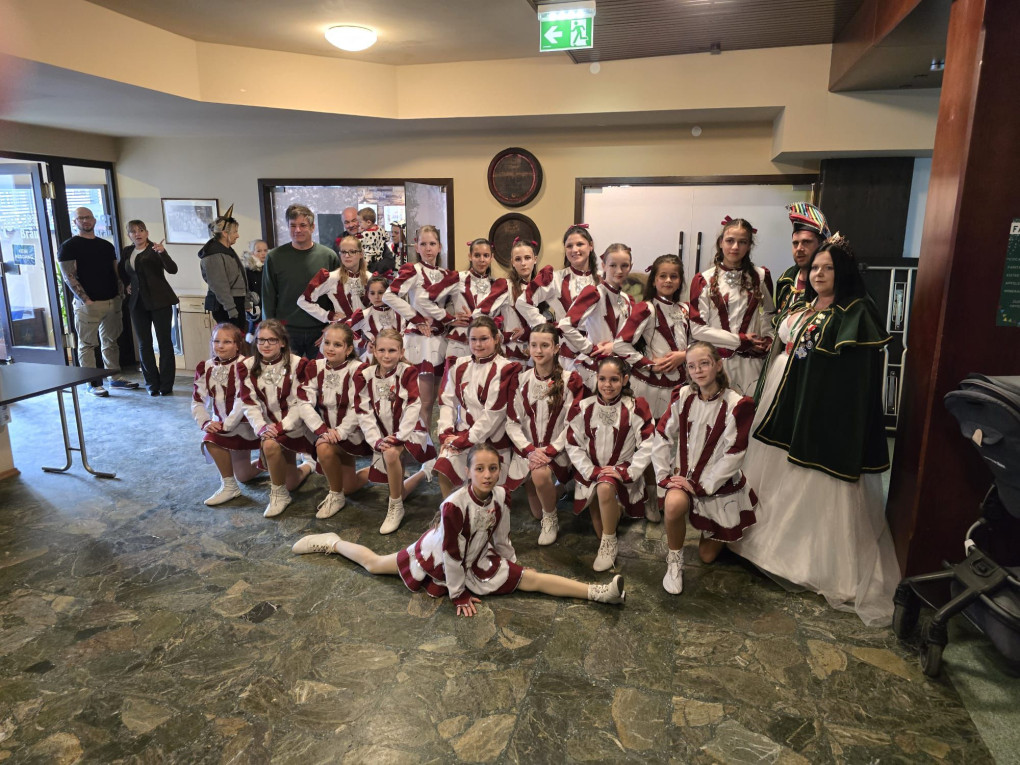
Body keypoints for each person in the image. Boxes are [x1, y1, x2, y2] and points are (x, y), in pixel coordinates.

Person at [729, 235, 900, 627]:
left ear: (844, 272)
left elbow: (854, 378)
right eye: (816, 268)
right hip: (785, 397)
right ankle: (764, 543)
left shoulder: (855, 312)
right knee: (774, 472)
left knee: (812, 480)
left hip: (822, 411)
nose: (819, 274)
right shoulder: (804, 305)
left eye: (828, 268)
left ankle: (809, 561)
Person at [291, 443, 626, 615]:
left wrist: (511, 563)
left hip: (478, 555)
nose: (487, 475)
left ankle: (599, 593)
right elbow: (451, 554)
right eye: (480, 469)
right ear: (468, 472)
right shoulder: (454, 505)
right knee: (376, 564)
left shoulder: (501, 495)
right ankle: (333, 543)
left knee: (532, 579)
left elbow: (502, 536)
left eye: (492, 469)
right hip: (438, 555)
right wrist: (458, 594)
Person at [652, 341, 758, 595]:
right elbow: (663, 436)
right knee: (673, 504)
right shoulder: (683, 396)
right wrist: (665, 477)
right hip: (684, 478)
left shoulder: (737, 404)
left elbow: (735, 454)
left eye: (704, 364)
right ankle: (674, 560)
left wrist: (703, 485)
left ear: (718, 365)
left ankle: (713, 528)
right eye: (691, 366)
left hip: (717, 484)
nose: (697, 371)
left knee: (707, 557)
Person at [565, 356, 654, 571]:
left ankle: (610, 542)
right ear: (596, 378)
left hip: (621, 470)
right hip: (592, 471)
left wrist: (629, 472)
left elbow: (648, 444)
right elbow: (573, 444)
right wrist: (591, 470)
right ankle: (614, 510)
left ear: (625, 380)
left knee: (605, 492)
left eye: (614, 379)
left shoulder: (635, 407)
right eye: (602, 379)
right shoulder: (583, 407)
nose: (607, 385)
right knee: (600, 526)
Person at [505, 323, 586, 545]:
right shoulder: (521, 380)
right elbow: (512, 423)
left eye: (544, 345)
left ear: (556, 348)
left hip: (560, 450)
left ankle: (551, 519)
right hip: (530, 453)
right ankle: (561, 489)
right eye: (533, 345)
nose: (538, 351)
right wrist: (531, 451)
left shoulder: (570, 380)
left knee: (540, 477)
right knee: (536, 511)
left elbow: (574, 423)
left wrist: (550, 451)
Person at [352, 328, 437, 534]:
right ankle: (424, 472)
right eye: (381, 350)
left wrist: (398, 437)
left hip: (409, 430)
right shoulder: (365, 375)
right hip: (383, 432)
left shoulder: (408, 372)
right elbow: (363, 411)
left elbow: (413, 406)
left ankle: (395, 507)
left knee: (391, 455)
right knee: (398, 488)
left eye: (392, 350)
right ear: (374, 351)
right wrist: (375, 440)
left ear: (401, 352)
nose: (386, 355)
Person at [237, 319, 322, 518]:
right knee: (269, 448)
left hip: (293, 426)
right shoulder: (246, 366)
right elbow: (249, 402)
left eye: (272, 340)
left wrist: (281, 426)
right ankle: (280, 489)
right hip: (267, 428)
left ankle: (305, 467)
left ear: (282, 342)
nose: (266, 345)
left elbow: (300, 402)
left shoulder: (298, 364)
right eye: (261, 340)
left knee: (290, 481)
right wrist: (261, 427)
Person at [689, 217, 775, 396]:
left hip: (752, 364)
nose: (735, 247)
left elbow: (769, 313)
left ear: (749, 245)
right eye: (730, 241)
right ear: (721, 242)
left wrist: (768, 337)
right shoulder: (703, 280)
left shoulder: (760, 276)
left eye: (742, 242)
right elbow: (697, 330)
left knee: (748, 410)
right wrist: (740, 340)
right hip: (715, 364)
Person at [435, 316, 520, 498]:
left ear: (496, 339)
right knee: (443, 465)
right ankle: (451, 511)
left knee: (488, 494)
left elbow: (494, 414)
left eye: (484, 339)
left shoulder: (507, 369)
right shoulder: (459, 365)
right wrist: (446, 434)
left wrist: (462, 441)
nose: (478, 344)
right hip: (460, 436)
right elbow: (447, 402)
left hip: (493, 440)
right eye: (473, 339)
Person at [58, 207, 137, 397]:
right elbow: (69, 276)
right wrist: (85, 299)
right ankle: (92, 383)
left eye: (88, 217)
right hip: (88, 305)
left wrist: (119, 295)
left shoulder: (106, 246)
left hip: (112, 301)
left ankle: (114, 377)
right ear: (75, 222)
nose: (85, 221)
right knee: (87, 345)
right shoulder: (68, 246)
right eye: (81, 218)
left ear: (94, 220)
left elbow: (115, 272)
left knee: (111, 342)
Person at [383, 224, 450, 433]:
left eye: (433, 243)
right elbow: (388, 296)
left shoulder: (446, 273)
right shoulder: (413, 270)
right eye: (424, 244)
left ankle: (427, 443)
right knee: (423, 403)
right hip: (422, 341)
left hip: (441, 339)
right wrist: (416, 318)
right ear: (417, 247)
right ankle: (421, 446)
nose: (428, 248)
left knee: (439, 401)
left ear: (439, 247)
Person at [302, 323, 371, 520]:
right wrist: (322, 429)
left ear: (348, 349)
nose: (330, 348)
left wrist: (340, 432)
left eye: (337, 345)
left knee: (323, 447)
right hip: (328, 433)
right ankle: (340, 492)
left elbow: (358, 407)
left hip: (353, 434)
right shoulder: (315, 367)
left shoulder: (358, 370)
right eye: (327, 343)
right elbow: (304, 402)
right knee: (348, 487)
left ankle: (337, 495)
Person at [192, 323, 262, 506]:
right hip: (221, 425)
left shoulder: (246, 365)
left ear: (237, 345)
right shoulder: (205, 367)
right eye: (216, 341)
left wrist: (226, 425)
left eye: (227, 342)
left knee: (245, 475)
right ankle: (231, 485)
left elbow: (242, 400)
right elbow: (198, 401)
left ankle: (273, 463)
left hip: (245, 425)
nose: (220, 346)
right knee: (242, 474)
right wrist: (206, 422)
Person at [516, 224, 600, 370]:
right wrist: (547, 327)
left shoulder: (602, 281)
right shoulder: (556, 278)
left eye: (580, 244)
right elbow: (523, 302)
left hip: (597, 354)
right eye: (569, 246)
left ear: (590, 246)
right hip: (565, 358)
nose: (575, 250)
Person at [262, 204, 340, 359]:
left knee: (320, 372)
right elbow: (268, 296)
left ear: (312, 227)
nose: (297, 230)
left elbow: (338, 297)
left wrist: (332, 328)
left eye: (303, 225)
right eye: (293, 225)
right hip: (286, 331)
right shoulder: (274, 257)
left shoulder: (328, 256)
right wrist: (270, 332)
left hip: (320, 331)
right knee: (286, 373)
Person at [557, 242, 635, 390]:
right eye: (613, 265)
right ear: (603, 265)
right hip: (593, 371)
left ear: (630, 266)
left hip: (619, 371)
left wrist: (615, 347)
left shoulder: (627, 299)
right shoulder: (595, 293)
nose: (619, 271)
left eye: (624, 265)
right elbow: (565, 325)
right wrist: (590, 349)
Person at [119, 219, 179, 396]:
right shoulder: (127, 251)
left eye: (141, 230)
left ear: (147, 233)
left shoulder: (155, 249)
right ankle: (152, 383)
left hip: (160, 301)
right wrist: (127, 284)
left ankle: (166, 384)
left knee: (164, 343)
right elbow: (122, 270)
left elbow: (173, 269)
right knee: (144, 344)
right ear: (129, 235)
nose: (137, 234)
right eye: (133, 231)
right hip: (137, 303)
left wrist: (163, 253)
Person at [425, 238, 496, 366]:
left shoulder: (495, 284)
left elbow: (498, 316)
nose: (482, 260)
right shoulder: (457, 278)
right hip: (460, 341)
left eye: (486, 255)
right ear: (470, 256)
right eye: (477, 255)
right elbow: (428, 298)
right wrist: (449, 319)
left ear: (492, 257)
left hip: (486, 344)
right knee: (455, 378)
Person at [474, 237, 539, 362]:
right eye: (518, 259)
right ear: (512, 262)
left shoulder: (542, 288)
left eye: (527, 258)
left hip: (537, 355)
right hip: (512, 354)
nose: (523, 263)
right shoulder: (505, 286)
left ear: (535, 259)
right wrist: (500, 336)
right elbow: (479, 314)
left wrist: (526, 331)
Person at [296, 235, 370, 325]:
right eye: (343, 252)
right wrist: (328, 316)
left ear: (361, 254)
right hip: (342, 329)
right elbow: (303, 301)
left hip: (368, 330)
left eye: (352, 252)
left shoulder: (370, 278)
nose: (347, 255)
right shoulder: (332, 278)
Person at [775, 202, 831, 315]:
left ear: (822, 245)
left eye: (806, 242)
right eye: (795, 243)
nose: (799, 249)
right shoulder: (785, 280)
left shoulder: (834, 281)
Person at [198, 205, 247, 331]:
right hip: (226, 307)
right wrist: (231, 309)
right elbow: (220, 286)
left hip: (234, 303)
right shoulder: (213, 255)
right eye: (235, 232)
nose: (238, 235)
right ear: (225, 233)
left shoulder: (227, 251)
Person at [348, 275, 401, 361]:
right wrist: (364, 344)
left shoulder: (400, 312)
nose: (376, 297)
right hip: (373, 358)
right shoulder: (363, 315)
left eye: (380, 293)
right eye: (372, 293)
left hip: (398, 356)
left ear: (388, 293)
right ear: (368, 295)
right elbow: (347, 332)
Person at [241, 239, 267, 339]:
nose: (263, 253)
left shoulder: (269, 267)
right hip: (255, 307)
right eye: (259, 251)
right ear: (252, 253)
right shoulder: (248, 270)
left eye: (265, 250)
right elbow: (247, 291)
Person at [358, 207, 392, 274]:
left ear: (368, 222)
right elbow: (387, 238)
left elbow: (356, 243)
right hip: (379, 259)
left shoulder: (365, 234)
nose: (359, 224)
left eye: (360, 222)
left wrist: (359, 233)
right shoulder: (381, 229)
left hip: (368, 261)